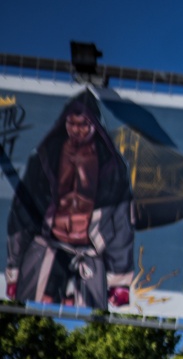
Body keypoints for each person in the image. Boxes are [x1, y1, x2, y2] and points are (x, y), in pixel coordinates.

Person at [5, 89, 133, 310]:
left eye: (83, 124)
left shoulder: (112, 167)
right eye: (72, 123)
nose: (76, 130)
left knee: (88, 321)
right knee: (31, 316)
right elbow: (22, 213)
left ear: (95, 124)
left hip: (88, 252)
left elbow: (121, 223)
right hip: (47, 246)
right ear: (64, 122)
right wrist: (14, 271)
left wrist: (119, 281)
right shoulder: (44, 157)